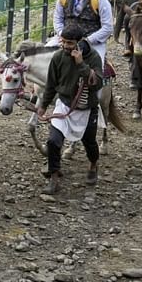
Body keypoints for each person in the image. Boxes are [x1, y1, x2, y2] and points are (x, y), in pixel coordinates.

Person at [37, 24, 105, 193]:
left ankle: (93, 164)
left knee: (89, 142)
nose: (66, 46)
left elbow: (96, 83)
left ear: (79, 42)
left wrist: (81, 64)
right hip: (64, 105)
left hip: (87, 108)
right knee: (53, 141)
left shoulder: (94, 57)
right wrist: (43, 106)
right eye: (64, 42)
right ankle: (54, 177)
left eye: (70, 43)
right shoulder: (58, 57)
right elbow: (51, 85)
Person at [51, 0, 113, 64]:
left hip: (92, 42)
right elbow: (57, 18)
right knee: (45, 57)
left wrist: (88, 40)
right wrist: (62, 34)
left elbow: (108, 27)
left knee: (97, 65)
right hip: (64, 40)